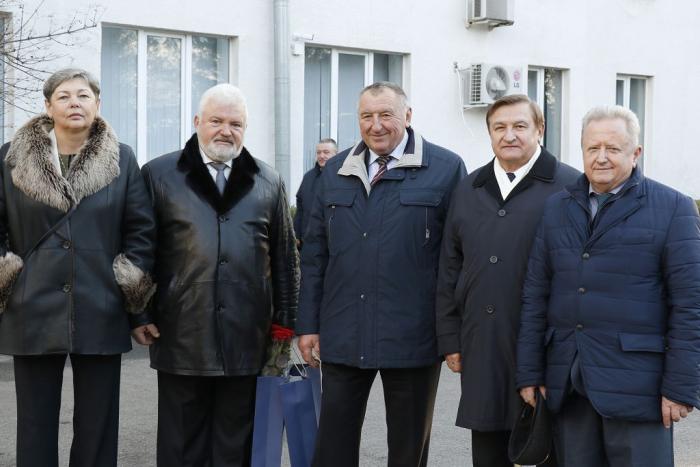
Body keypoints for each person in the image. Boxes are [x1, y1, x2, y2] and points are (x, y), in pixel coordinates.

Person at [516, 105, 700, 466]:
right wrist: (530, 371)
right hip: (569, 383)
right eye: (592, 148)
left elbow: (691, 304)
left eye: (613, 148)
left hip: (640, 389)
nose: (601, 157)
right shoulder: (557, 208)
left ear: (636, 153)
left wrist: (681, 387)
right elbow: (535, 295)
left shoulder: (673, 208)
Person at [297, 81, 467, 467]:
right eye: (366, 116)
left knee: (408, 450)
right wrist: (307, 324)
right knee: (332, 447)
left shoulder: (446, 168)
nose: (376, 125)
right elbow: (315, 255)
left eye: (386, 115)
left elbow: (455, 260)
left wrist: (451, 333)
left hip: (414, 335)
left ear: (407, 116)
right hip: (344, 329)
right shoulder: (334, 170)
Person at [0, 68, 156, 467]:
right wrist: (7, 280)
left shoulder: (121, 158)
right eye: (65, 96)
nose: (75, 103)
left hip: (100, 302)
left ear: (97, 104)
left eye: (84, 96)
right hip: (32, 304)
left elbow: (140, 232)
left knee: (98, 421)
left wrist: (133, 300)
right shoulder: (10, 157)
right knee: (34, 421)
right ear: (48, 105)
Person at [140, 83, 299, 467]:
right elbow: (140, 250)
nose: (225, 131)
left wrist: (286, 321)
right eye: (216, 121)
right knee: (182, 444)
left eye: (235, 123)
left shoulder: (268, 180)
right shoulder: (159, 174)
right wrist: (139, 312)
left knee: (236, 443)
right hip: (181, 331)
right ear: (197, 121)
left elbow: (284, 256)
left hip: (247, 335)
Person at [435, 94, 579, 467]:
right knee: (488, 449)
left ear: (539, 129)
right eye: (499, 127)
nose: (509, 135)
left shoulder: (570, 186)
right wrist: (450, 338)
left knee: (549, 449)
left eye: (519, 126)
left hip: (547, 345)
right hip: (482, 342)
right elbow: (450, 266)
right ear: (489, 133)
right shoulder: (469, 188)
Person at [294, 138, 337, 247]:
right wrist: (296, 234)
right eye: (318, 152)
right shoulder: (308, 177)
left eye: (326, 152)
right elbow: (300, 209)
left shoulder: (342, 177)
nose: (321, 156)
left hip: (332, 244)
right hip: (308, 242)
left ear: (336, 154)